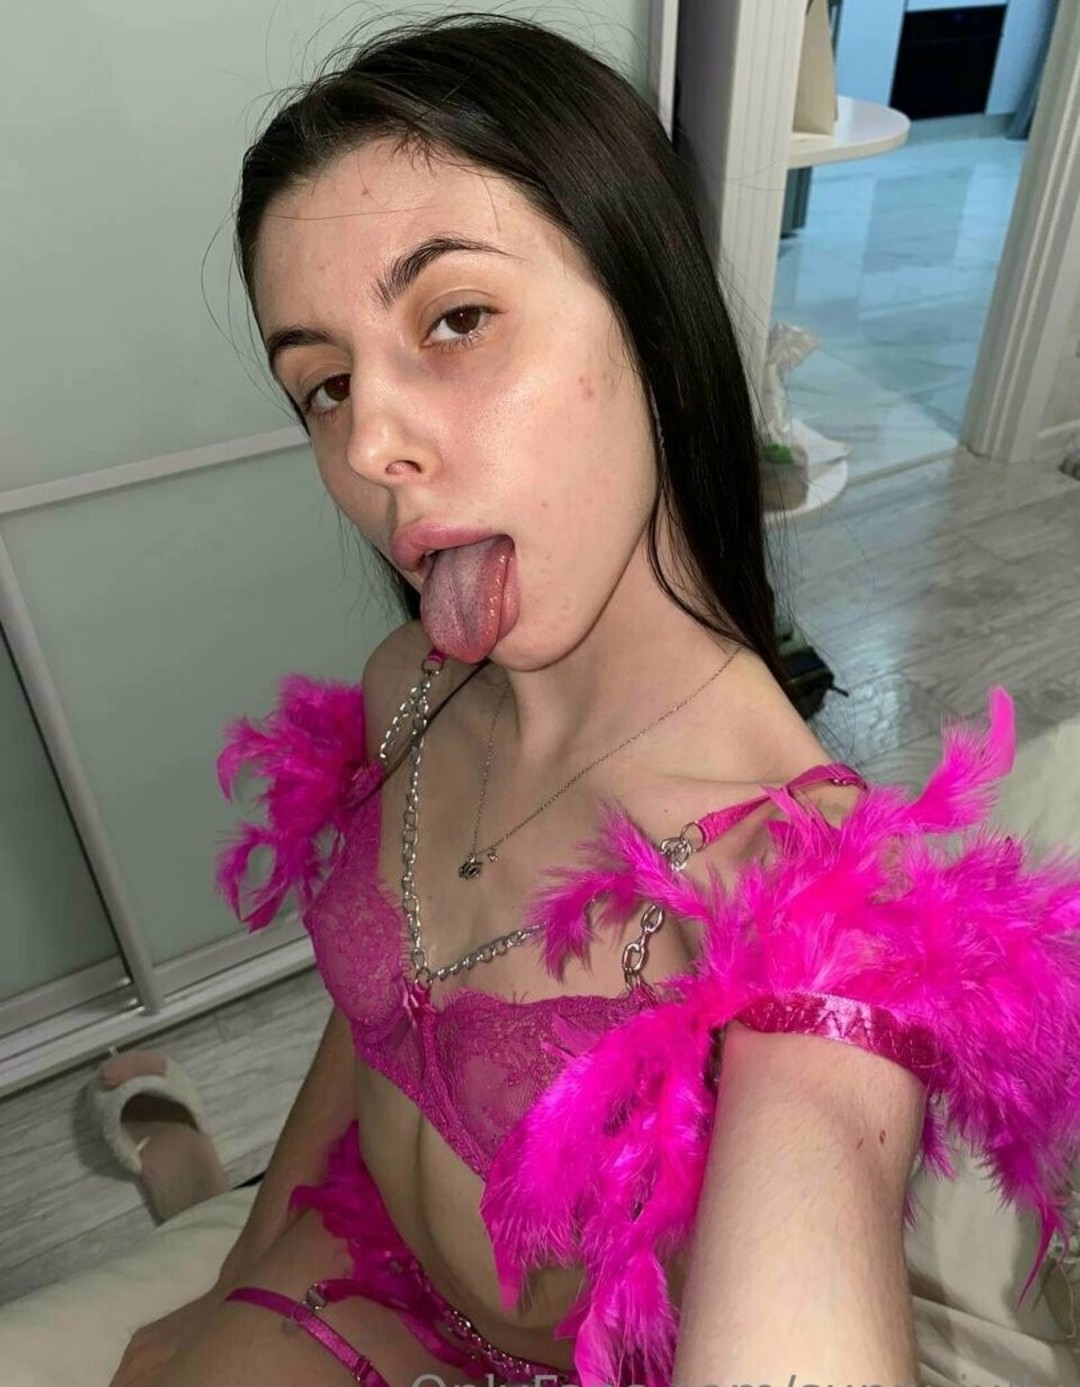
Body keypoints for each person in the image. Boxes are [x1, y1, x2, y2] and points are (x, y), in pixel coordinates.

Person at [110, 13, 1080, 1387]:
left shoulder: (807, 905)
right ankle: (189, 1184)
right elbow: (379, 1020)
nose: (369, 442)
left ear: (648, 316)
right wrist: (237, 1285)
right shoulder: (408, 694)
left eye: (456, 319)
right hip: (372, 1269)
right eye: (323, 385)